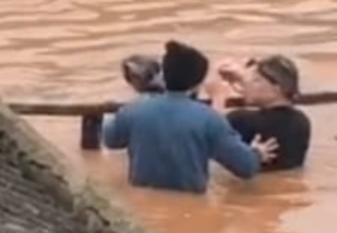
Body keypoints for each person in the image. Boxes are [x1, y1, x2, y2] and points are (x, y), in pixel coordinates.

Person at [103, 40, 278, 193]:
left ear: (164, 76)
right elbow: (245, 167)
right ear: (197, 84)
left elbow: (110, 139)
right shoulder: (209, 119)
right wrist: (257, 153)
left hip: (140, 205)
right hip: (189, 205)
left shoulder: (133, 110)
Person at [209, 55, 311, 171]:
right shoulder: (301, 121)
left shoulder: (242, 120)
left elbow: (204, 137)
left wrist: (217, 97)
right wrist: (244, 78)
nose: (247, 84)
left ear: (277, 88)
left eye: (256, 80)